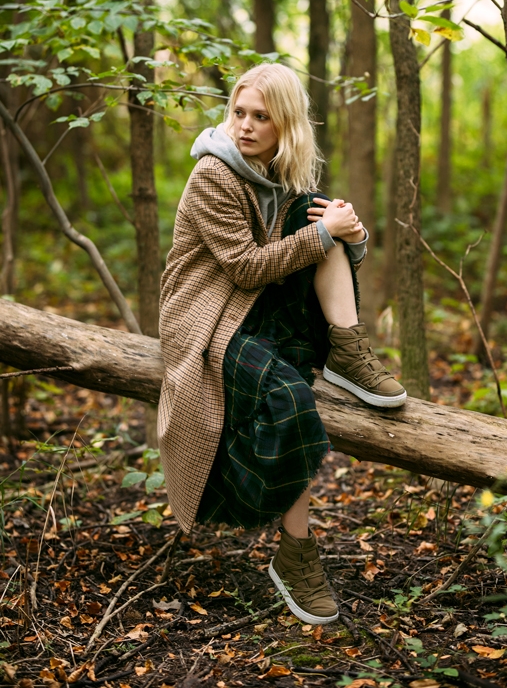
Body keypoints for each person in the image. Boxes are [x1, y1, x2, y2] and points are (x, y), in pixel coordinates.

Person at [158, 63, 406, 626]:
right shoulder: (213, 174)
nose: (244, 127)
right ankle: (295, 555)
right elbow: (245, 269)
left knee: (318, 209)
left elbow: (310, 246)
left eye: (260, 117)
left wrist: (349, 233)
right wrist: (325, 235)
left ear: (285, 124)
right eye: (239, 113)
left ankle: (346, 348)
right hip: (208, 315)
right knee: (292, 399)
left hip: (256, 305)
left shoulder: (281, 175)